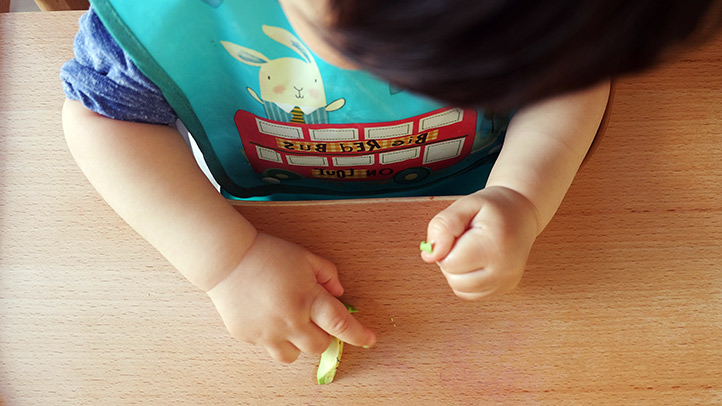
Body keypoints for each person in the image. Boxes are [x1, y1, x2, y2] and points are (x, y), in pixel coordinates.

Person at [60, 0, 721, 363]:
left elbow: (570, 83)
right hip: (259, 208)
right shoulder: (171, 14)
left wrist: (521, 192)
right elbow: (106, 120)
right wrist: (227, 261)